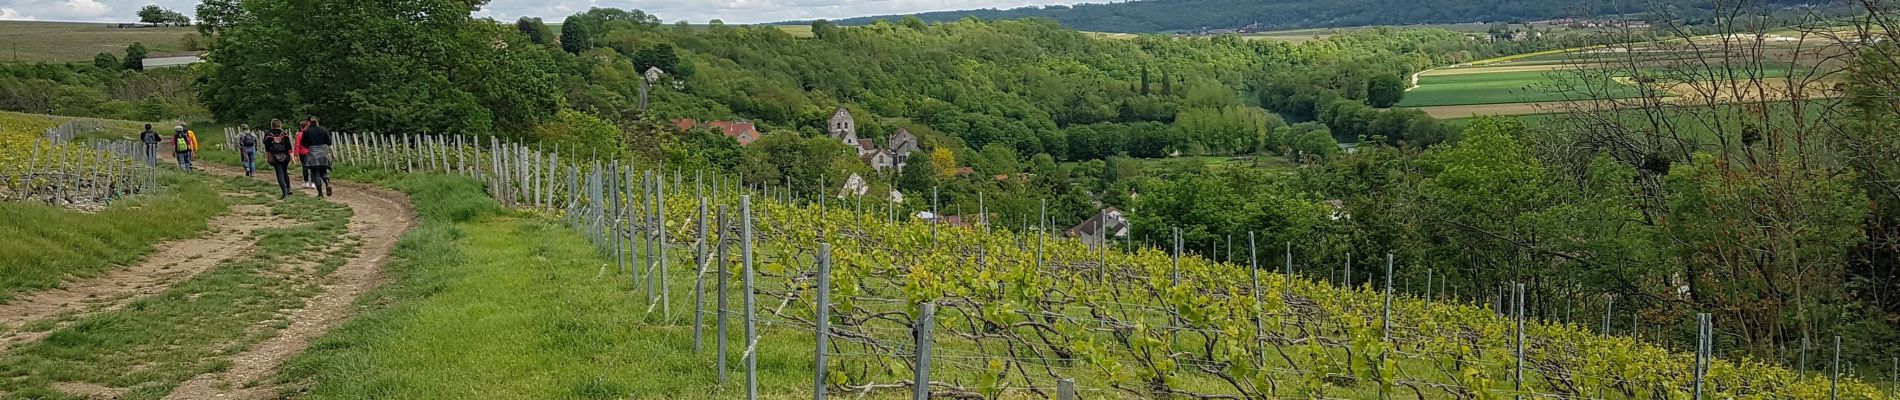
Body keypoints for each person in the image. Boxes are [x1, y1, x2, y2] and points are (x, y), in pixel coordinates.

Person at [300, 117, 335, 197]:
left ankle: (320, 193)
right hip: (323, 152)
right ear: (317, 122)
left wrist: (309, 146)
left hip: (313, 152)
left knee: (315, 173)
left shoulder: (307, 132)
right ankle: (327, 183)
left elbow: (303, 143)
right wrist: (333, 153)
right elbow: (329, 142)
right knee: (323, 171)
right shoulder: (323, 130)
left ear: (309, 123)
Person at [263, 119, 295, 198]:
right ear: (280, 125)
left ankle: (284, 192)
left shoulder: (268, 134)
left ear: (272, 125)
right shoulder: (284, 134)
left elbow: (267, 148)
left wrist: (268, 157)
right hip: (285, 156)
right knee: (285, 172)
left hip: (275, 156)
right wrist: (292, 158)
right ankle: (288, 188)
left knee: (279, 173)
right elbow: (289, 147)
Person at [294, 120, 313, 189]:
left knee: (304, 167)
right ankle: (313, 183)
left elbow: (297, 145)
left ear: (301, 126)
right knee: (312, 167)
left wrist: (296, 154)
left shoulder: (299, 134)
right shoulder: (310, 133)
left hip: (302, 153)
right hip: (311, 152)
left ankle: (306, 182)